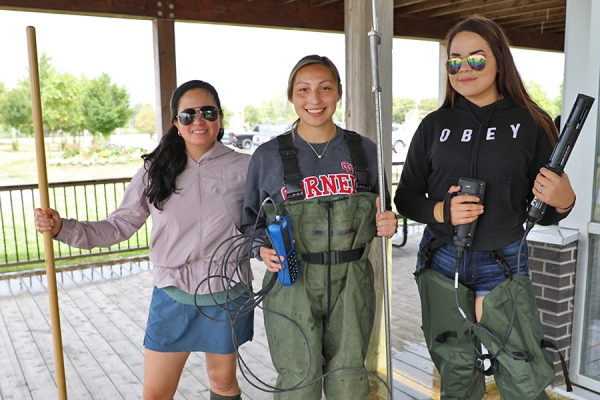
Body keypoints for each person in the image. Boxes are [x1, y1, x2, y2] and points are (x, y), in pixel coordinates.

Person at [34, 80, 253, 400]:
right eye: (188, 115)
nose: (199, 121)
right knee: (155, 393)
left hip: (227, 292)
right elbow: (119, 225)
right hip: (173, 294)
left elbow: (263, 225)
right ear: (176, 124)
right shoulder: (155, 170)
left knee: (221, 382)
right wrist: (62, 228)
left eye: (207, 112)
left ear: (220, 118)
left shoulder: (246, 167)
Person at [394, 16, 576, 400]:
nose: (464, 69)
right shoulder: (434, 124)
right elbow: (406, 196)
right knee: (456, 376)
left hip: (505, 261)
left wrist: (564, 199)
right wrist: (443, 211)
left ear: (499, 61)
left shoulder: (532, 123)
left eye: (476, 59)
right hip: (442, 260)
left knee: (522, 375)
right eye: (454, 61)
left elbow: (549, 209)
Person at [241, 55, 398, 400]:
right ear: (292, 96)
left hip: (353, 281)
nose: (315, 100)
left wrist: (389, 221)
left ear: (338, 92)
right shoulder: (267, 156)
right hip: (291, 282)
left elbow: (382, 211)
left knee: (349, 380)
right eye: (304, 90)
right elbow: (248, 223)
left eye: (325, 88)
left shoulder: (365, 151)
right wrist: (260, 249)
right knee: (299, 381)